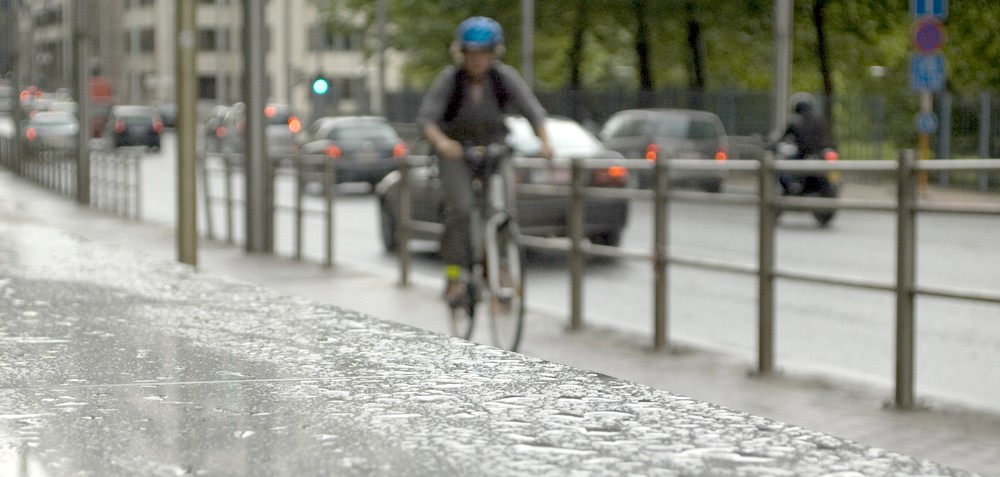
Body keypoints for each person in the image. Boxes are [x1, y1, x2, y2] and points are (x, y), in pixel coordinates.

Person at [415, 16, 553, 304]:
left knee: (504, 208)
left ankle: (500, 266)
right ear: (462, 54)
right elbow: (427, 119)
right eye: (472, 53)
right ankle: (454, 274)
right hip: (457, 152)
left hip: (494, 149)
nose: (478, 60)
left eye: (484, 53)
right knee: (462, 210)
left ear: (494, 54)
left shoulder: (503, 78)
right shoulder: (450, 80)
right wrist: (443, 143)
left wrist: (545, 142)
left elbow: (533, 110)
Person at [779, 92, 834, 192]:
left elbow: (782, 138)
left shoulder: (795, 121)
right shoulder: (820, 120)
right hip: (820, 154)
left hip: (803, 154)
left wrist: (772, 144)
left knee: (783, 170)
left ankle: (792, 186)